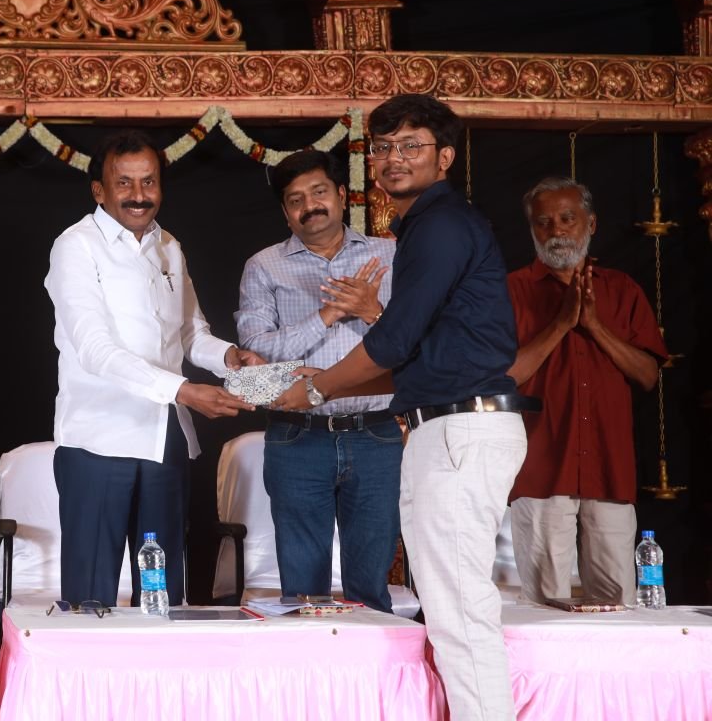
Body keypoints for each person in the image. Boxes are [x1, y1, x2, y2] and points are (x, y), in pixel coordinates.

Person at [271, 94, 534, 721]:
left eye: (411, 145)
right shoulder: (427, 227)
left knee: (460, 610)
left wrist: (316, 390)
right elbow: (419, 354)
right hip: (446, 424)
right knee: (449, 608)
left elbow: (392, 341)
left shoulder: (442, 226)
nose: (394, 158)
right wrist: (323, 383)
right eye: (383, 147)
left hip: (461, 427)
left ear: (444, 157)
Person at [46, 129, 261, 607]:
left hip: (165, 439)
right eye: (124, 183)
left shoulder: (169, 246)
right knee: (91, 599)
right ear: (99, 190)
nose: (138, 195)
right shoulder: (76, 246)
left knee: (161, 594)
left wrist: (229, 357)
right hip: (99, 440)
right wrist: (184, 390)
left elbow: (190, 333)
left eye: (149, 182)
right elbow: (95, 350)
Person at [235, 148, 401, 612]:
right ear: (286, 213)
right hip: (297, 437)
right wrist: (326, 315)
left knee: (371, 587)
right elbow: (258, 350)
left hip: (376, 435)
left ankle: (374, 660)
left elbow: (413, 343)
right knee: (303, 593)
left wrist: (371, 310)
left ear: (342, 195)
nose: (310, 205)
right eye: (296, 199)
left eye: (319, 192)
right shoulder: (264, 266)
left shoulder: (389, 255)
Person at [506, 177, 666, 607]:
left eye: (567, 219)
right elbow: (505, 376)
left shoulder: (621, 289)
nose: (556, 230)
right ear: (532, 230)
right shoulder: (511, 290)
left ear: (591, 224)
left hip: (609, 468)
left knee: (619, 605)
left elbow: (648, 375)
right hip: (541, 468)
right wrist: (561, 323)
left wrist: (594, 326)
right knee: (543, 607)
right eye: (543, 222)